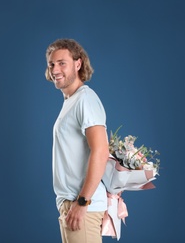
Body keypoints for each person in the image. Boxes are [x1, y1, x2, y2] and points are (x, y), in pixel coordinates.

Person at [45, 38, 110, 243]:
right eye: (51, 64)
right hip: (71, 204)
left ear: (78, 63)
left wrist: (82, 202)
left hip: (81, 205)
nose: (55, 69)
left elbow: (100, 150)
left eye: (62, 63)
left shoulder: (85, 99)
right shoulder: (70, 101)